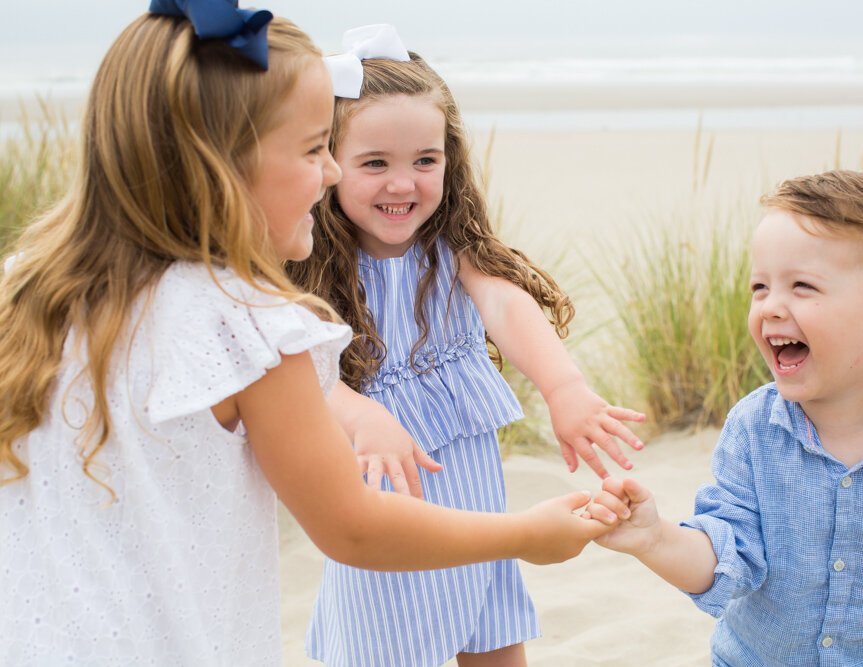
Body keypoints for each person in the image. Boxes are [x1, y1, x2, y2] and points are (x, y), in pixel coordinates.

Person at [0, 6, 612, 665]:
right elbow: (352, 525)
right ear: (222, 164)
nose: (331, 173)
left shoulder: (30, 288)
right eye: (316, 148)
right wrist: (526, 535)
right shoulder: (249, 325)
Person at [287, 24, 645, 667]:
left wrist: (563, 387)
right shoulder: (307, 265)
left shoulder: (452, 250)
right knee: (384, 635)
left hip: (476, 500)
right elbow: (296, 368)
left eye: (425, 161)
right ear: (329, 165)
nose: (404, 184)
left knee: (490, 625)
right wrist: (359, 414)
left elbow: (507, 306)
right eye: (376, 163)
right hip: (386, 497)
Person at [586, 170, 863, 666]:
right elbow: (730, 555)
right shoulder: (753, 429)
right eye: (760, 287)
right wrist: (656, 539)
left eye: (802, 286)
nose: (770, 307)